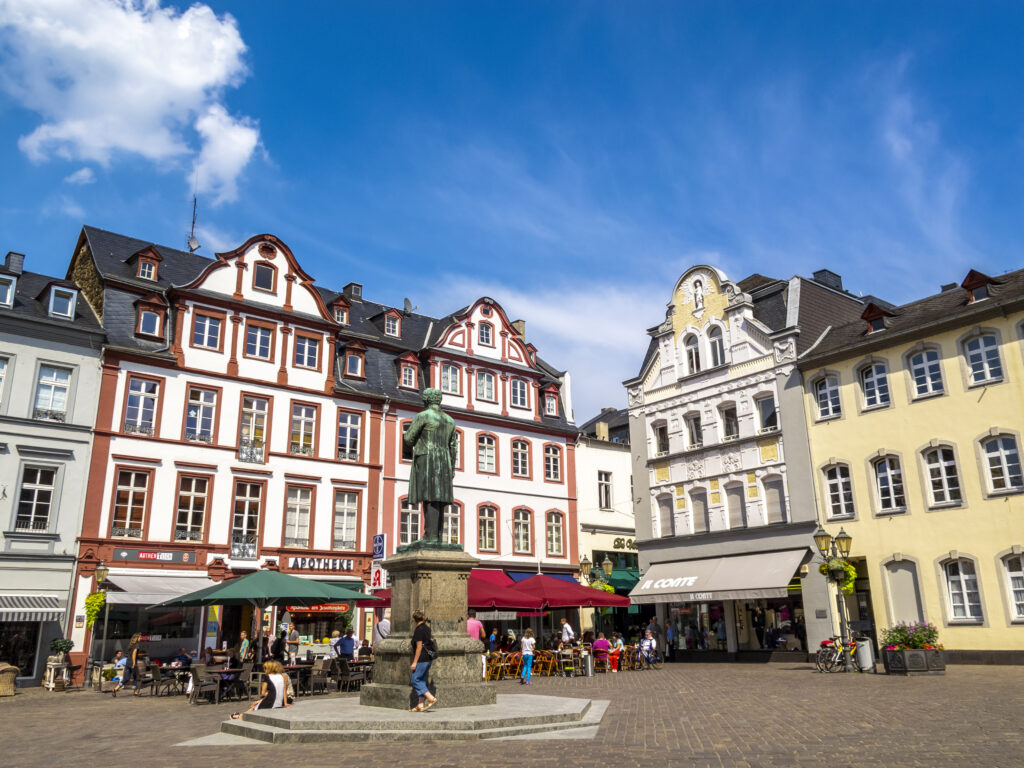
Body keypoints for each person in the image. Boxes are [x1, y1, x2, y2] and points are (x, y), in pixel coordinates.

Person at [403, 389, 459, 546]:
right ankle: (436, 536)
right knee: (439, 499)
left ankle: (430, 537)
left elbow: (408, 438)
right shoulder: (450, 420)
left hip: (427, 458)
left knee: (429, 497)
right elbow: (453, 447)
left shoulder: (423, 416)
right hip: (445, 461)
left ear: (426, 400)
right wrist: (452, 467)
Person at [409, 610, 438, 712]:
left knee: (415, 680)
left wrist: (414, 662)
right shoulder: (427, 628)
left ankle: (430, 697)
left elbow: (419, 647)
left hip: (421, 658)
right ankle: (420, 704)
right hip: (428, 658)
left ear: (414, 619)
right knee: (421, 680)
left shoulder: (418, 630)